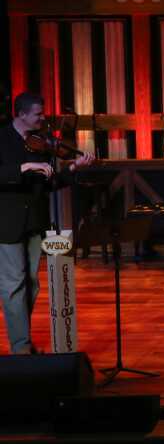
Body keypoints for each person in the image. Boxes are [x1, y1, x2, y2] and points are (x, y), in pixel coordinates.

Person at [0, 92, 93, 354]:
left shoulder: (39, 144)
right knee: (13, 284)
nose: (43, 119)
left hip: (34, 222)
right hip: (7, 223)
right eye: (38, 114)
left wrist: (71, 170)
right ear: (21, 114)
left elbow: (49, 183)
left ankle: (22, 337)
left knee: (31, 283)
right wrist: (23, 168)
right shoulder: (2, 138)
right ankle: (21, 347)